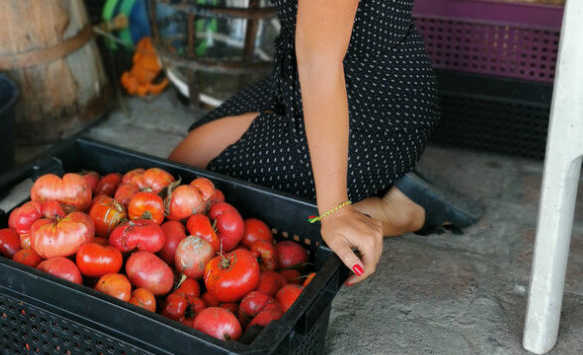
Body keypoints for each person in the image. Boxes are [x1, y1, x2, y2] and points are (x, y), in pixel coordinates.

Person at [168, 0, 481, 286]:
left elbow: (321, 62)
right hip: (306, 81)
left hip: (371, 110)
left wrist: (335, 209)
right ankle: (368, 183)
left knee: (236, 214)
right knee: (184, 167)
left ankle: (402, 210)